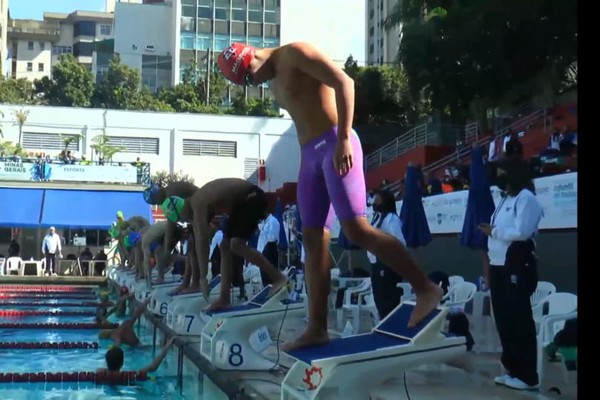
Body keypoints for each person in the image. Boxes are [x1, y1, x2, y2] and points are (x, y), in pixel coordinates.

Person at [217, 42, 442, 350]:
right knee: (311, 240)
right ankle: (317, 328)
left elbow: (344, 82)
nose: (250, 84)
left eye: (247, 77)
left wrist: (345, 138)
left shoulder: (295, 54)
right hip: (310, 158)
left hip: (336, 142)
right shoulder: (271, 81)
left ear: (252, 56)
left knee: (355, 228)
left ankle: (425, 288)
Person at [161, 178, 287, 309]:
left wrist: (203, 279)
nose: (186, 221)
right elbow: (199, 241)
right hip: (240, 203)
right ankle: (224, 298)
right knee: (225, 246)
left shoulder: (198, 205)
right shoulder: (195, 203)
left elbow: (202, 242)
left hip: (251, 196)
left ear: (181, 211)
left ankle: (278, 277)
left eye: (182, 219)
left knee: (236, 244)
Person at [478, 158, 543, 391]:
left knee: (519, 320)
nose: (499, 176)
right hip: (497, 266)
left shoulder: (527, 198)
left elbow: (523, 232)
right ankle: (512, 369)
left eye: (503, 171)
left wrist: (494, 230)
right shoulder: (505, 198)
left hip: (515, 266)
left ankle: (527, 375)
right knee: (504, 321)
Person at [143, 181, 199, 278]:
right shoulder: (169, 191)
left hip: (199, 212)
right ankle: (186, 274)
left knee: (189, 246)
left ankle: (193, 279)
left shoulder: (170, 196)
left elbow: (170, 225)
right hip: (195, 212)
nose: (159, 205)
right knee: (164, 253)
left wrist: (167, 250)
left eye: (156, 203)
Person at [367, 190, 406, 319]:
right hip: (376, 265)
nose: (374, 203)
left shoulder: (392, 219)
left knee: (388, 301)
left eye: (377, 200)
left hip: (387, 265)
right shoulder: (377, 218)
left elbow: (399, 242)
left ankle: (390, 326)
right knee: (379, 299)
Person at [102, 337, 176, 374]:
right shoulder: (131, 376)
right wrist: (169, 343)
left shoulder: (99, 375)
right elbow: (153, 367)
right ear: (122, 363)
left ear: (106, 362)